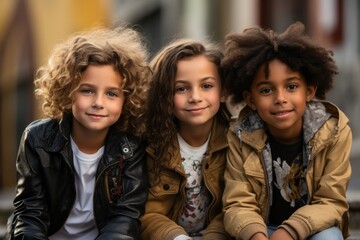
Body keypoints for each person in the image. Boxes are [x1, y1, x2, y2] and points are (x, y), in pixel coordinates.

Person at [6, 25, 150, 240]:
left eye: (111, 93)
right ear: (67, 91)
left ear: (127, 99)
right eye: (87, 90)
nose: (98, 103)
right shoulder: (38, 139)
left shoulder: (131, 147)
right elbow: (30, 212)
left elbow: (125, 217)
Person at [221, 22, 352, 240]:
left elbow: (331, 201)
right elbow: (237, 203)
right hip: (261, 230)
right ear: (250, 100)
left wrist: (289, 232)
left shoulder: (334, 131)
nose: (280, 99)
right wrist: (256, 235)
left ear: (309, 91)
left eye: (291, 87)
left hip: (312, 229)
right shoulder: (240, 135)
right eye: (266, 90)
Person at [140, 39, 232, 240]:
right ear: (164, 95)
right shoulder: (150, 146)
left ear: (223, 91)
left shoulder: (235, 141)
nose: (195, 97)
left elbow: (233, 207)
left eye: (207, 85)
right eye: (181, 88)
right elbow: (148, 214)